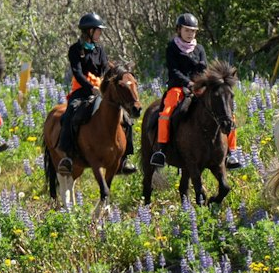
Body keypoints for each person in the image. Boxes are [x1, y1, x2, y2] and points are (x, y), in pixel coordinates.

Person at [151, 13, 241, 169]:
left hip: (199, 87)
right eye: (187, 30)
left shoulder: (199, 48)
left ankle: (231, 153)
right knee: (166, 112)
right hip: (178, 87)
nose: (190, 34)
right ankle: (162, 150)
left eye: (193, 31)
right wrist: (189, 83)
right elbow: (174, 70)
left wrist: (202, 84)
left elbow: (204, 70)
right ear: (179, 30)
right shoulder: (172, 47)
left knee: (227, 114)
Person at [57, 12, 134, 175]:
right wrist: (90, 87)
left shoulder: (100, 49)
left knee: (126, 119)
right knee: (70, 114)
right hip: (81, 90)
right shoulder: (75, 49)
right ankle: (67, 156)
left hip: (101, 90)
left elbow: (106, 69)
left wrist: (121, 72)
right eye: (98, 30)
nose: (100, 33)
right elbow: (77, 72)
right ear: (89, 31)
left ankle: (125, 158)